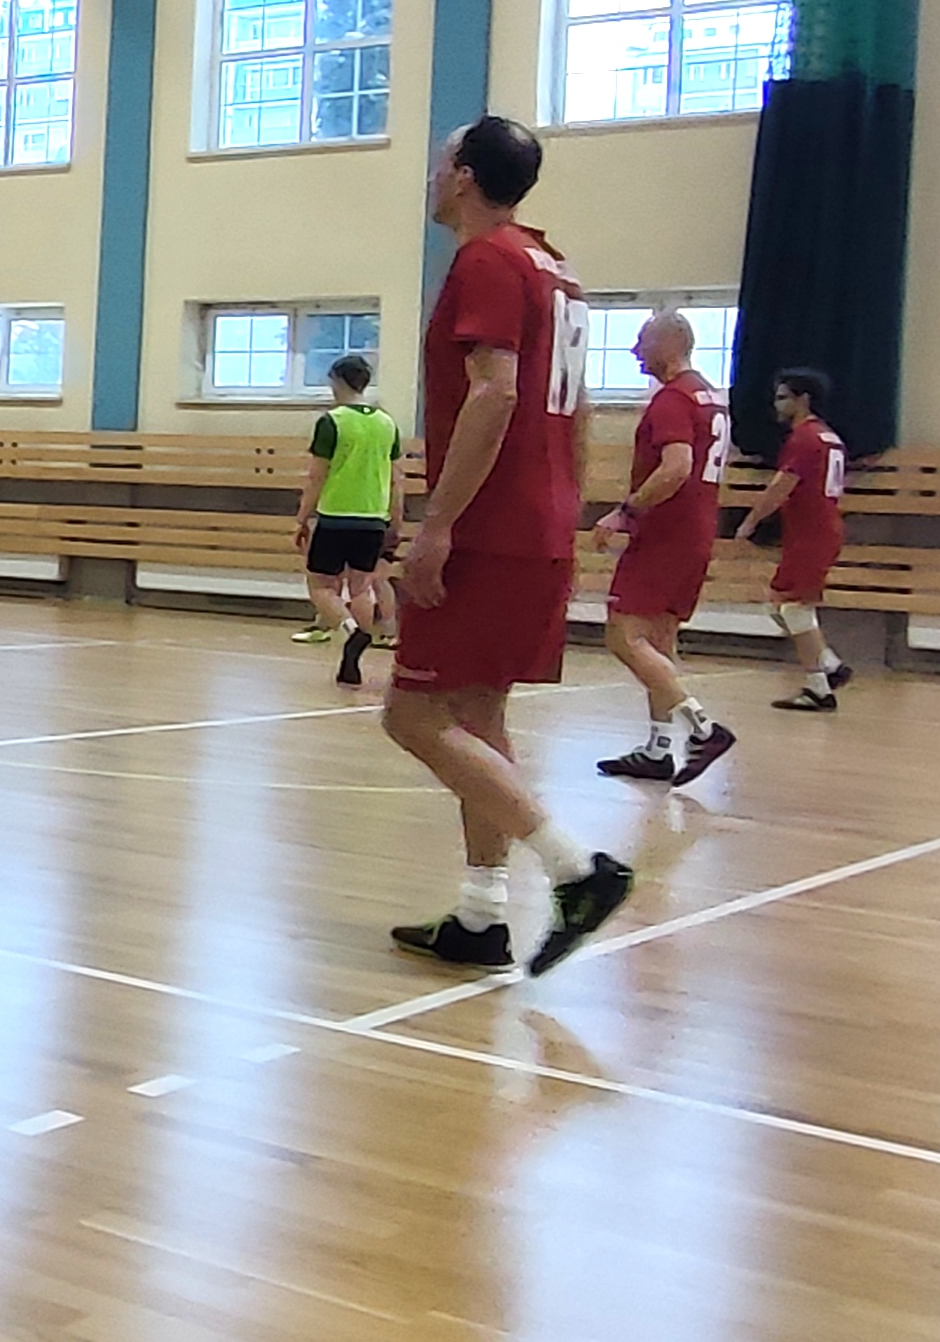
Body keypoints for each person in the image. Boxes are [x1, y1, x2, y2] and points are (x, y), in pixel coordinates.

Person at [383, 117, 633, 976]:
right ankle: (481, 915)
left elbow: (495, 393)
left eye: (438, 162)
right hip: (538, 519)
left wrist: (438, 523)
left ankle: (577, 871)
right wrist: (570, 506)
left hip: (490, 525)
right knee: (479, 714)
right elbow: (581, 404)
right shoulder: (554, 267)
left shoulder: (487, 260)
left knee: (412, 715)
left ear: (462, 175)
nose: (431, 176)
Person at [592, 313, 737, 782]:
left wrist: (626, 511)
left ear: (669, 345)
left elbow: (677, 466)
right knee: (658, 641)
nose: (634, 351)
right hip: (696, 531)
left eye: (641, 341)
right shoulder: (709, 397)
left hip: (665, 535)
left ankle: (702, 728)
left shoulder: (672, 400)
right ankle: (658, 749)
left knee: (623, 636)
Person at [745, 367, 855, 713]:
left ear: (802, 399)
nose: (777, 405)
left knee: (793, 608)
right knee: (780, 605)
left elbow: (781, 487)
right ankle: (830, 666)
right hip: (815, 530)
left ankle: (819, 687)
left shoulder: (804, 439)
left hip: (812, 533)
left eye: (783, 397)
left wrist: (750, 521)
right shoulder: (829, 437)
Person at [293, 352, 399, 689]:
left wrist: (302, 516)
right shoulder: (387, 423)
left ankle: (351, 631)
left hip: (336, 516)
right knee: (361, 587)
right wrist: (395, 520)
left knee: (321, 586)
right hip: (373, 518)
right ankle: (353, 658)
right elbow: (396, 479)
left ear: (336, 380)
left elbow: (317, 476)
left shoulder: (332, 421)